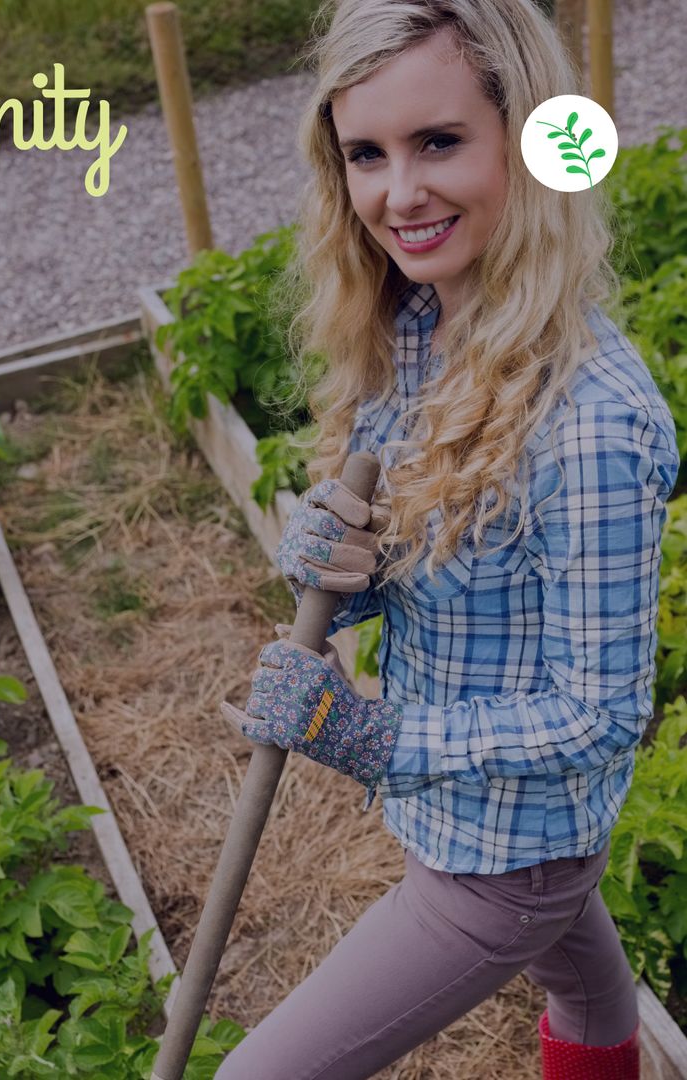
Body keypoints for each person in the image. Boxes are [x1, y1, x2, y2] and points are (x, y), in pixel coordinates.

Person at [215, 2, 679, 1078]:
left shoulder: (592, 424)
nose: (398, 194)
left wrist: (372, 739)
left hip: (503, 861)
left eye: (438, 142)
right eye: (366, 155)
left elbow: (600, 713)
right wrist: (351, 570)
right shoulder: (420, 326)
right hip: (492, 820)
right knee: (590, 992)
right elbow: (442, 558)